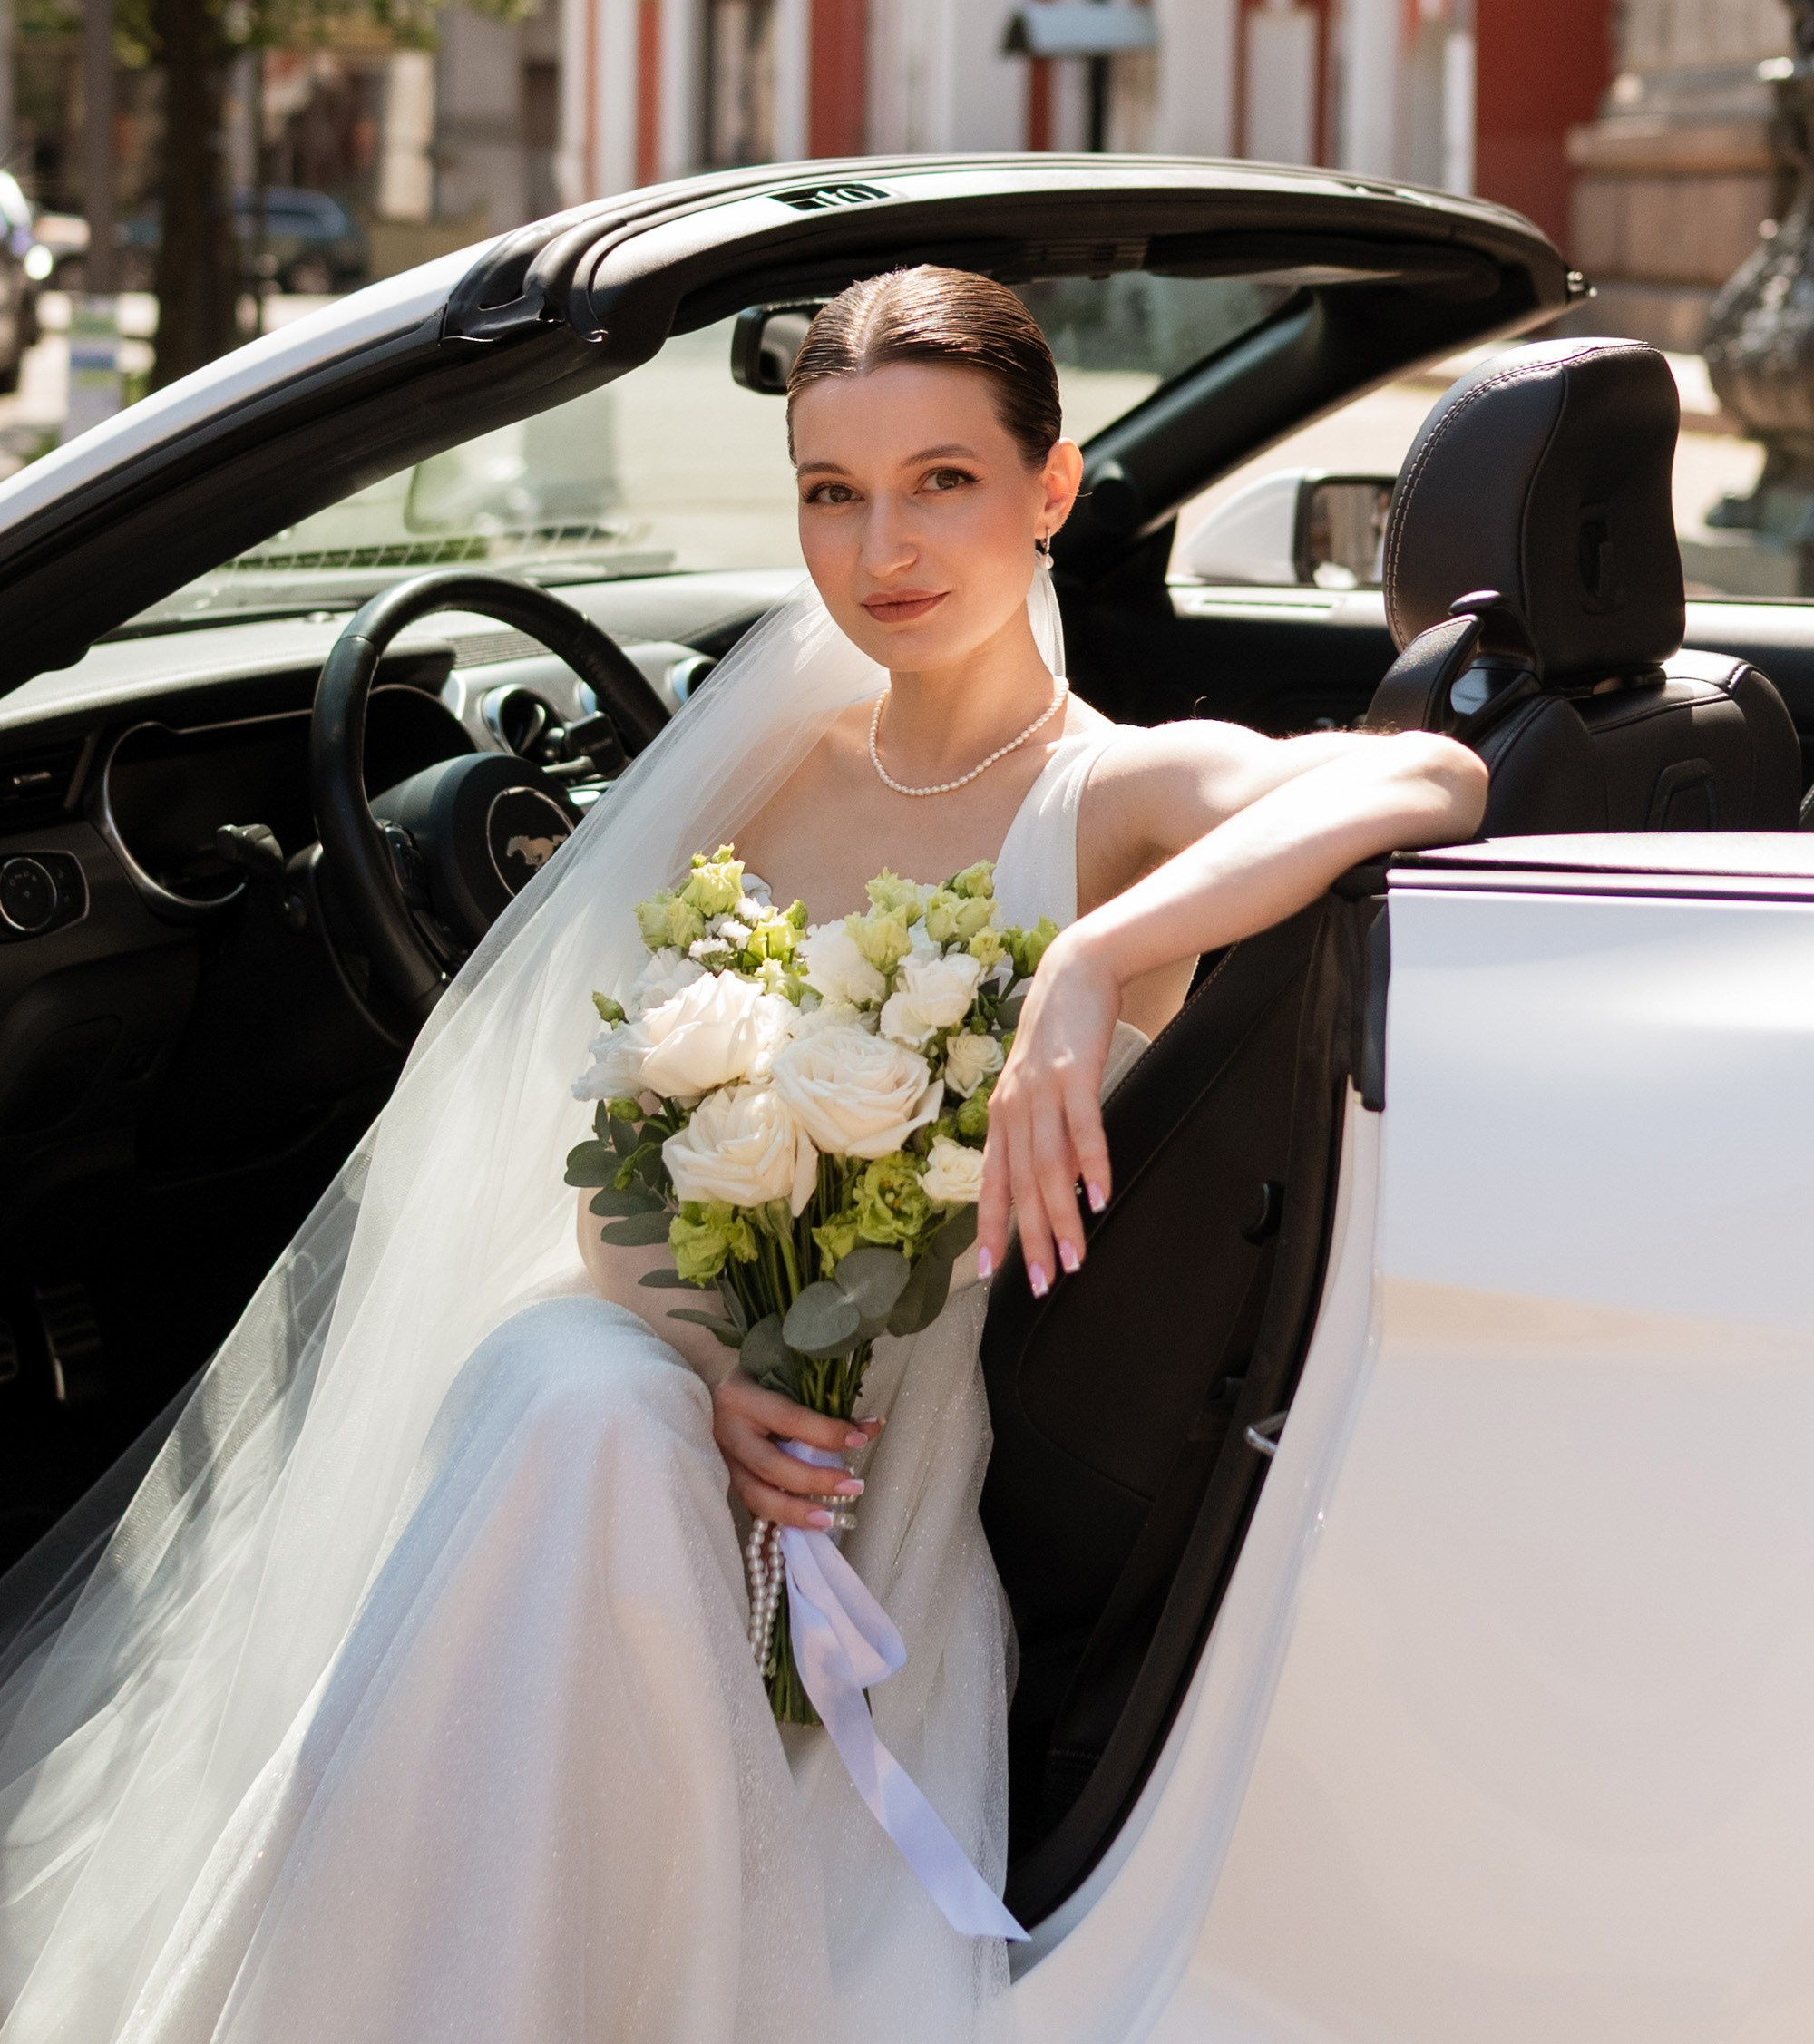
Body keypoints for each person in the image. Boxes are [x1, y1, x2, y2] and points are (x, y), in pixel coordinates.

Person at [0, 269, 1485, 2044]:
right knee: (580, 1391)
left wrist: (1088, 961)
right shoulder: (761, 768)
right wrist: (705, 1366)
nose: (885, 547)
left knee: (579, 1418)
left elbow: (1424, 790)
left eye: (943, 480)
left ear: (1053, 490)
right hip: (658, 1388)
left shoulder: (1113, 792)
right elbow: (613, 1160)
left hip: (866, 1475)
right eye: (830, 490)